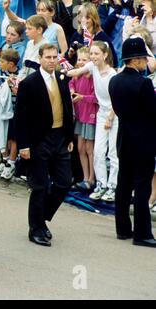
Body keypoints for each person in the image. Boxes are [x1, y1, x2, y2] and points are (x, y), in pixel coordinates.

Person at [15, 44, 74, 247]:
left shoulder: (61, 78)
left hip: (59, 138)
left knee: (65, 182)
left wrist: (69, 138)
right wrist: (23, 145)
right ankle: (35, 229)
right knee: (39, 186)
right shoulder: (29, 83)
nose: (51, 60)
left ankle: (42, 218)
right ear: (40, 58)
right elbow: (20, 117)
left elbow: (67, 108)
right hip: (38, 140)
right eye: (47, 57)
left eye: (54, 57)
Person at [108, 37, 156, 247]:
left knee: (123, 185)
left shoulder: (115, 80)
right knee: (142, 187)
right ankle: (142, 233)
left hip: (124, 138)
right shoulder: (143, 83)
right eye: (143, 58)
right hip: (143, 141)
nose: (146, 62)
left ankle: (123, 228)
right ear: (135, 61)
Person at [67, 41, 118, 202]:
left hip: (113, 115)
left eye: (97, 54)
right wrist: (59, 70)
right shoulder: (92, 66)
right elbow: (76, 72)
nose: (94, 57)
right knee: (98, 151)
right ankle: (101, 184)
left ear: (105, 55)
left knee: (113, 153)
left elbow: (116, 100)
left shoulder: (112, 75)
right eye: (92, 53)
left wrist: (110, 118)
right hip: (101, 113)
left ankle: (112, 187)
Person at [69, 46, 98, 191]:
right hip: (80, 115)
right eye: (79, 59)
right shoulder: (76, 75)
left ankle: (92, 179)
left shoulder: (93, 77)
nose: (81, 62)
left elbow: (96, 98)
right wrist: (73, 91)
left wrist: (82, 97)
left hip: (90, 116)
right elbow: (71, 84)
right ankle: (85, 177)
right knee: (80, 148)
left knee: (89, 148)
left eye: (84, 60)